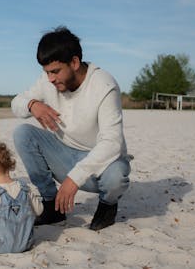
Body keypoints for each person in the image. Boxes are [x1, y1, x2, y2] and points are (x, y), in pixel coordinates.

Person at [11, 26, 132, 231]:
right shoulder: (48, 81)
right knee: (23, 133)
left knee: (117, 176)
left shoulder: (104, 85)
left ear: (74, 63)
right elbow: (16, 103)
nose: (50, 79)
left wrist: (73, 179)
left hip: (100, 161)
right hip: (63, 153)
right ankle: (52, 206)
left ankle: (107, 206)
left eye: (55, 71)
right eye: (46, 72)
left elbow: (112, 143)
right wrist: (33, 105)